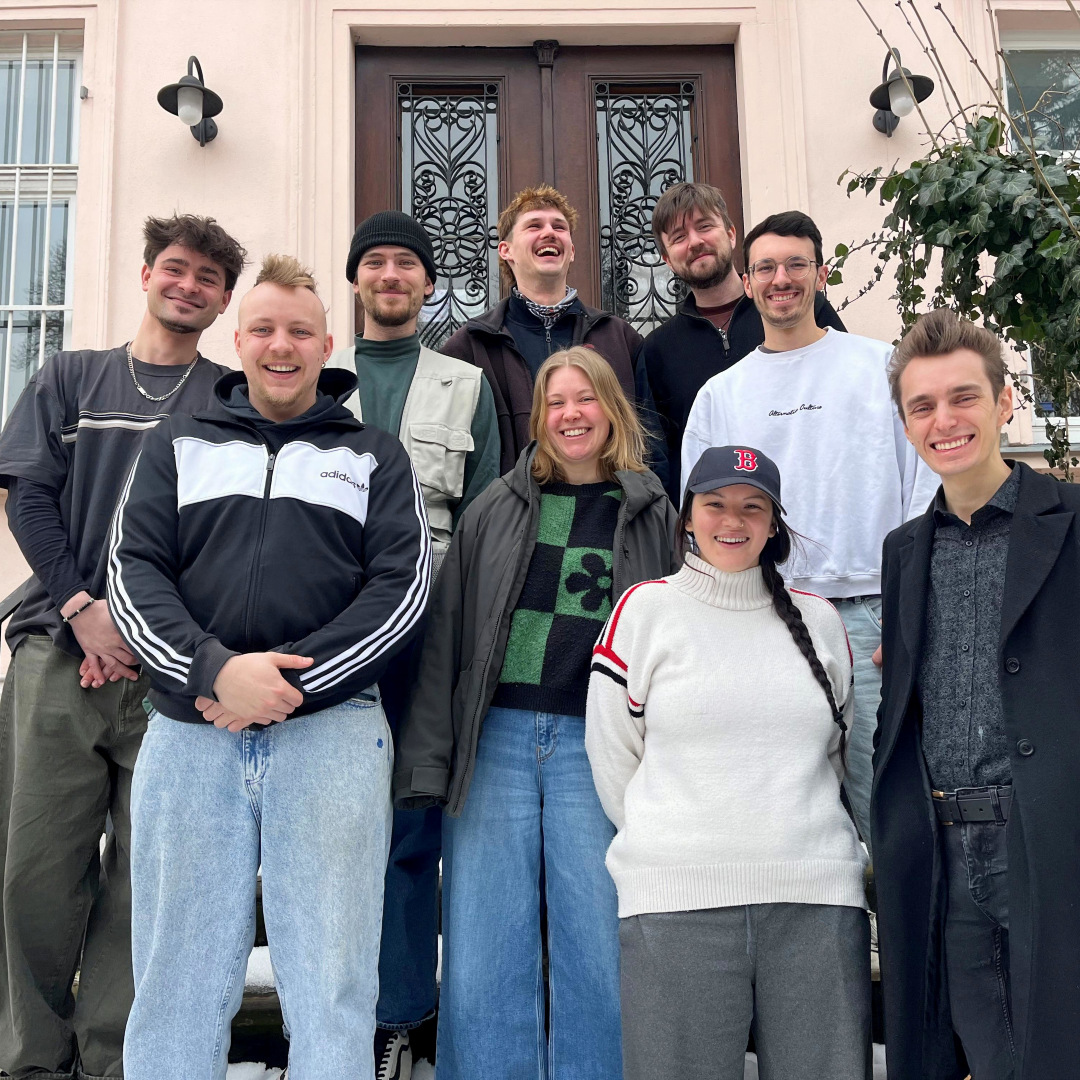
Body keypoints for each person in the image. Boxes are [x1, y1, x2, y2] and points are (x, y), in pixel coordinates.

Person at [110, 255, 431, 1079]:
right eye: (263, 329)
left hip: (333, 737)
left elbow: (400, 591)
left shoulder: (375, 456)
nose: (280, 346)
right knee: (175, 985)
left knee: (332, 987)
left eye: (298, 332)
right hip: (191, 736)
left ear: (327, 345)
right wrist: (214, 672)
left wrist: (284, 687)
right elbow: (132, 573)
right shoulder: (176, 444)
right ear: (238, 339)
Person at [0, 213, 246, 1080]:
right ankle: (30, 1059)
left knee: (150, 875)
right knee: (34, 869)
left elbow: (226, 538)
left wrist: (145, 634)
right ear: (146, 275)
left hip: (168, 673)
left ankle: (114, 1058)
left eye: (209, 278)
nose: (189, 286)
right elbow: (29, 497)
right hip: (55, 650)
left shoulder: (228, 400)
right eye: (176, 268)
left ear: (224, 301)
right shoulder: (71, 376)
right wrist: (82, 610)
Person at [395, 346, 677, 1079]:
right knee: (485, 947)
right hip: (497, 742)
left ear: (611, 410)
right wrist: (428, 760)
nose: (571, 414)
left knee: (598, 940)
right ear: (539, 418)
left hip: (599, 746)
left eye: (586, 399)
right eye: (556, 402)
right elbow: (447, 638)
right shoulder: (496, 507)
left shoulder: (652, 511)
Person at [586, 444, 870, 1080]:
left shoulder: (821, 622)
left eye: (752, 506)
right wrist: (674, 843)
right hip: (675, 905)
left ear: (774, 524)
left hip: (816, 903)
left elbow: (837, 754)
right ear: (688, 516)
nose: (732, 520)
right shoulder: (643, 611)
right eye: (714, 504)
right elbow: (612, 755)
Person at [681, 210, 937, 855]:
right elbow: (701, 523)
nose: (781, 279)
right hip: (772, 616)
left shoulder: (882, 367)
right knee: (787, 805)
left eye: (796, 264)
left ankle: (897, 922)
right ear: (747, 282)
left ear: (821, 275)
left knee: (889, 803)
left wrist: (911, 605)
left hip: (877, 616)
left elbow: (927, 484)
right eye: (766, 267)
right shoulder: (720, 395)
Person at [873, 309, 1080, 1080]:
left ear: (1004, 402)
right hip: (943, 851)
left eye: (963, 397)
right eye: (922, 406)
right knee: (985, 1059)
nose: (944, 421)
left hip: (1045, 841)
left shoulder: (1071, 523)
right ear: (906, 424)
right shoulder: (903, 551)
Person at [327, 209, 501, 1078]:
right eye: (375, 262)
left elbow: (486, 520)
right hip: (329, 632)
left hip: (430, 634)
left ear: (429, 283)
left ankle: (399, 1015)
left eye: (406, 263)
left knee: (411, 821)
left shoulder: (464, 384)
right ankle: (333, 1014)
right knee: (334, 825)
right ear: (356, 279)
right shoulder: (317, 380)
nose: (390, 275)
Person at [441, 184, 666, 483]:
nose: (549, 232)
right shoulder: (469, 346)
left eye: (559, 227)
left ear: (571, 251)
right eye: (534, 225)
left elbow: (650, 448)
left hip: (611, 510)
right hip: (511, 512)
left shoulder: (620, 338)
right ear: (506, 250)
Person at [644, 183, 845, 501]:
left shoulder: (802, 308)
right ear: (668, 259)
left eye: (704, 226)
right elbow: (663, 458)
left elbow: (846, 394)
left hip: (824, 496)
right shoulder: (658, 351)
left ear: (731, 234)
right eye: (679, 237)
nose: (695, 241)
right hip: (727, 520)